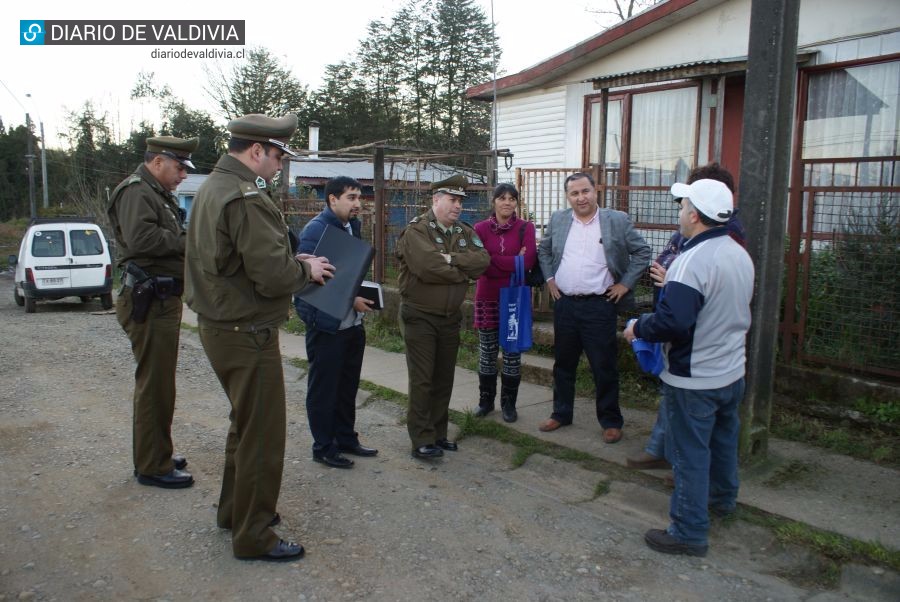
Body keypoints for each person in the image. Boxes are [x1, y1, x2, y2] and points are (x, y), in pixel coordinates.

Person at [184, 114, 334, 562]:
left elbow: (242, 256)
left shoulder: (214, 186)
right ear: (255, 151)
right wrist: (304, 269)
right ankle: (253, 534)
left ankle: (235, 512)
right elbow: (270, 275)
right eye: (276, 156)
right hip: (245, 329)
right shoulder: (243, 195)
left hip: (223, 323)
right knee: (262, 435)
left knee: (245, 426)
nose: (278, 166)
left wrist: (290, 256)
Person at [624, 178, 754, 557]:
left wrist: (636, 328)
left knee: (689, 454)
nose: (679, 212)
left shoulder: (691, 262)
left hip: (694, 377)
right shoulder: (737, 253)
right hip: (731, 371)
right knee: (723, 442)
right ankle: (721, 500)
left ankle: (688, 530)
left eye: (682, 207)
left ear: (694, 215)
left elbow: (673, 323)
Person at [626, 163, 745, 471]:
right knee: (713, 437)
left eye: (687, 201)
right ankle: (670, 457)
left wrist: (639, 326)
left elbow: (679, 318)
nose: (681, 207)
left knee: (693, 448)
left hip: (698, 361)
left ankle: (688, 509)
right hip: (714, 361)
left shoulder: (714, 248)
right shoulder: (716, 245)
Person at [107, 135, 199, 489]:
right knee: (154, 386)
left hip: (161, 297)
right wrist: (190, 241)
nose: (182, 176)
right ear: (157, 161)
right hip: (149, 297)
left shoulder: (154, 192)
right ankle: (152, 465)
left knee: (161, 385)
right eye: (179, 168)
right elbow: (142, 240)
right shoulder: (136, 191)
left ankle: (157, 452)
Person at [536, 172, 651, 443]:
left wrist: (625, 284)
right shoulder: (559, 219)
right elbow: (544, 250)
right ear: (568, 197)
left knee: (604, 365)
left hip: (600, 306)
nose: (581, 197)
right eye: (574, 193)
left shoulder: (616, 220)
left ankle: (610, 420)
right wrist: (550, 279)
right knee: (563, 364)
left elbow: (642, 252)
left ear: (595, 191)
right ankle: (561, 413)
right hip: (565, 305)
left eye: (585, 191)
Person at [396, 174, 490, 459]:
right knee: (423, 379)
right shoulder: (417, 231)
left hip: (450, 317)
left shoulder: (463, 232)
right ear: (436, 200)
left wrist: (451, 260)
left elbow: (483, 261)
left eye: (461, 201)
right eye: (452, 200)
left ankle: (438, 434)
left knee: (444, 378)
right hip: (420, 316)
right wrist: (462, 273)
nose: (458, 206)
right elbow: (426, 267)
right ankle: (421, 439)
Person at [293, 176, 378, 469]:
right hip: (326, 323)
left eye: (359, 198)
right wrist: (350, 297)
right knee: (324, 388)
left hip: (350, 323)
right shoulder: (315, 230)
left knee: (347, 384)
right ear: (333, 199)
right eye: (352, 198)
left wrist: (359, 295)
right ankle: (324, 447)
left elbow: (347, 269)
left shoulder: (351, 225)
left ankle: (345, 438)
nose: (358, 204)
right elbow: (308, 280)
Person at [472, 183, 537, 423]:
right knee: (487, 353)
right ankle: (485, 401)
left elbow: (529, 261)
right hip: (487, 297)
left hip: (514, 300)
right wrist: (513, 261)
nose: (507, 202)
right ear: (494, 201)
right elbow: (480, 264)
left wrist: (495, 260)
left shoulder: (525, 228)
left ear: (516, 203)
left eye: (512, 198)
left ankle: (509, 404)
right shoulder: (479, 229)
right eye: (502, 198)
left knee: (511, 353)